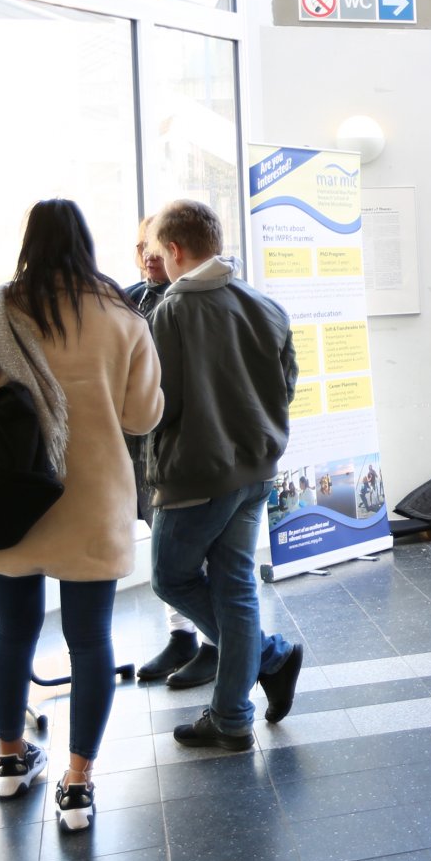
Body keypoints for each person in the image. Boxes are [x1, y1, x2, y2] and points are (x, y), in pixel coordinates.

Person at [0, 199, 164, 829]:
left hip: (10, 501)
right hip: (90, 501)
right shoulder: (122, 316)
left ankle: (10, 759)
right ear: (87, 245)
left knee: (13, 633)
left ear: (27, 243)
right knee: (91, 642)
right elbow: (143, 417)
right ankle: (78, 784)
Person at [145, 199, 305, 750]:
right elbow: (287, 386)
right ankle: (234, 713)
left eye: (155, 254)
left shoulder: (171, 312)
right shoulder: (265, 305)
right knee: (236, 586)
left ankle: (269, 657)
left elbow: (159, 405)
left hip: (197, 477)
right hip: (257, 473)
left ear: (175, 250)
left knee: (171, 577)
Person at [123, 215, 211, 690]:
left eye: (156, 246)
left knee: (204, 558)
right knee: (167, 554)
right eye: (141, 247)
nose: (148, 255)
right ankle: (183, 637)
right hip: (147, 454)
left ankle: (224, 645)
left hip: (196, 454)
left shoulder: (200, 300)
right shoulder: (129, 298)